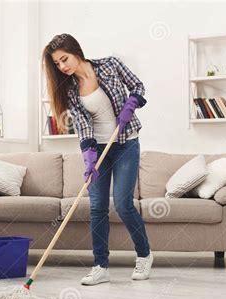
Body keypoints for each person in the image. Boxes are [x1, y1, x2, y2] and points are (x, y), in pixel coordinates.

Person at [42, 33, 153, 285]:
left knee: (124, 204)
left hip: (126, 143)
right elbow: (82, 125)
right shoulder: (69, 89)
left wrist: (131, 104)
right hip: (99, 148)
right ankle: (100, 265)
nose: (62, 66)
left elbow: (137, 85)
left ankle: (144, 255)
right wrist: (89, 159)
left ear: (76, 51)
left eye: (64, 59)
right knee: (96, 207)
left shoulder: (111, 64)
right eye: (57, 63)